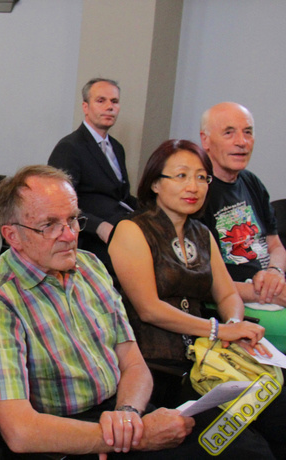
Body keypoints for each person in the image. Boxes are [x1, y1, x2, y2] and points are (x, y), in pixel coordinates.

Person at [0, 165, 272, 458]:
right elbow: (19, 431)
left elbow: (134, 364)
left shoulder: (89, 266)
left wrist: (127, 416)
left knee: (243, 442)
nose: (69, 235)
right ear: (12, 236)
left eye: (73, 220)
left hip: (123, 410)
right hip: (69, 434)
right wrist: (134, 437)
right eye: (49, 225)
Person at [109, 139, 285, 457]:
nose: (194, 186)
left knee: (280, 408)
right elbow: (149, 309)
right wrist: (219, 330)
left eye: (202, 177)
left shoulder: (201, 233)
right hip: (161, 367)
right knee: (250, 450)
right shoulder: (131, 230)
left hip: (210, 360)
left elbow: (227, 292)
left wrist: (234, 324)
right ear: (155, 184)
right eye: (181, 176)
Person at [198, 102, 286, 306]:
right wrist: (265, 293)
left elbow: (275, 245)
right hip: (237, 301)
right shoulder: (196, 192)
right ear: (205, 140)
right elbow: (196, 280)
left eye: (248, 132)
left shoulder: (251, 181)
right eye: (229, 133)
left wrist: (275, 272)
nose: (242, 142)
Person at [48, 78, 137, 275]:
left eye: (114, 101)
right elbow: (57, 203)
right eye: (101, 101)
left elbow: (122, 197)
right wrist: (99, 226)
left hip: (121, 227)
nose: (109, 107)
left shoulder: (117, 148)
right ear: (85, 107)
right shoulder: (70, 147)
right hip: (89, 235)